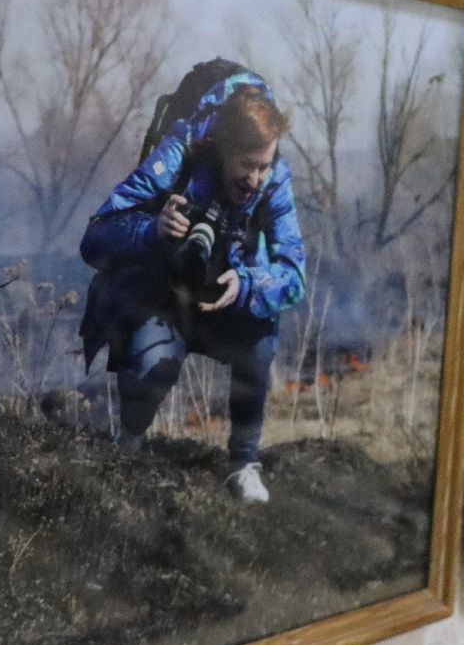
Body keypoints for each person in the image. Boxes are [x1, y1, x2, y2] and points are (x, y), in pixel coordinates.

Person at [79, 79, 306, 504]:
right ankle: (128, 444)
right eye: (246, 165)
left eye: (264, 165)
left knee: (261, 338)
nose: (256, 178)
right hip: (165, 296)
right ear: (222, 150)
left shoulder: (275, 180)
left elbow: (294, 273)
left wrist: (248, 285)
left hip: (226, 299)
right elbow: (94, 238)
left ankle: (243, 464)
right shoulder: (178, 154)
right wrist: (152, 230)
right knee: (151, 369)